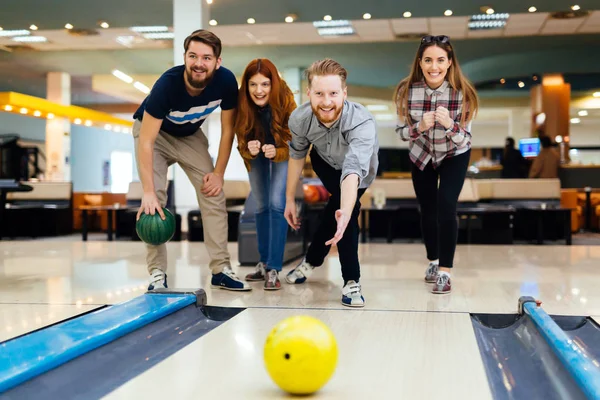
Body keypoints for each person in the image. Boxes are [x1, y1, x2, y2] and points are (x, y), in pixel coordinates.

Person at [132, 29, 250, 292]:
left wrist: (218, 173)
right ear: (185, 57)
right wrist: (148, 192)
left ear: (217, 62)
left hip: (188, 136)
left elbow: (228, 130)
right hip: (155, 136)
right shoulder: (167, 85)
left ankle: (220, 270)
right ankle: (157, 274)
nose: (199, 63)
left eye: (207, 58)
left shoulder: (226, 82)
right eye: (193, 56)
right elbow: (147, 141)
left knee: (213, 192)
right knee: (155, 202)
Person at [283, 59, 379, 308]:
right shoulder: (299, 119)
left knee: (346, 211)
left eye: (334, 93)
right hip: (323, 162)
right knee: (340, 209)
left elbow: (351, 170)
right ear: (309, 94)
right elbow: (296, 156)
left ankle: (345, 278)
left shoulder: (361, 122)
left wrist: (346, 210)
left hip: (358, 172)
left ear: (344, 93)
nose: (326, 102)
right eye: (319, 94)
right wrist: (289, 199)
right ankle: (326, 268)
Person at [394, 35, 479, 294]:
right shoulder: (406, 92)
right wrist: (419, 126)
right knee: (427, 209)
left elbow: (465, 137)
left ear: (450, 62)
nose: (434, 67)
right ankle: (433, 261)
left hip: (455, 154)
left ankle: (445, 271)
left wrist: (450, 124)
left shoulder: (463, 93)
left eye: (440, 60)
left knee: (446, 205)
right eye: (428, 60)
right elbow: (400, 133)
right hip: (421, 155)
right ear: (420, 63)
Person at [234, 59, 297, 290]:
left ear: (274, 84)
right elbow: (240, 142)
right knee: (260, 205)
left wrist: (277, 151)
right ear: (246, 86)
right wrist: (248, 150)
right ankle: (263, 263)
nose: (259, 91)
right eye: (253, 85)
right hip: (255, 151)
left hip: (281, 148)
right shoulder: (241, 102)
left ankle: (274, 268)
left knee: (275, 204)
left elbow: (294, 140)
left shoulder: (285, 98)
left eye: (265, 84)